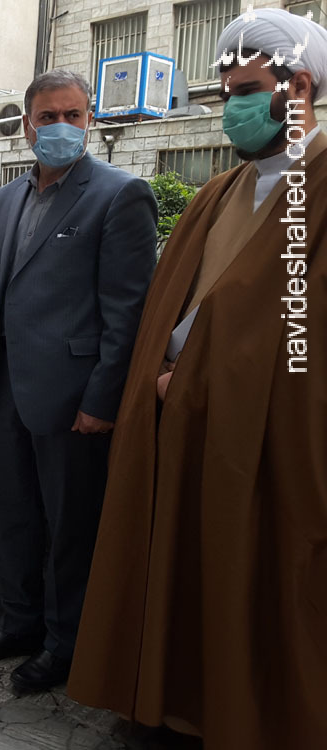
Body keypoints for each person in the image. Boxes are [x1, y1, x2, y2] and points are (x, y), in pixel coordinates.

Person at [68, 10, 327, 749]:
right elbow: (169, 309)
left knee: (247, 586)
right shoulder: (219, 193)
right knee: (177, 576)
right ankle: (165, 709)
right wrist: (163, 379)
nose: (231, 109)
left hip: (262, 449)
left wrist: (198, 384)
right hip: (179, 428)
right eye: (225, 94)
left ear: (298, 88)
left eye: (246, 92)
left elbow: (303, 349)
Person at [0, 70, 157, 692]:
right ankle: (18, 622)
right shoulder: (5, 199)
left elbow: (128, 314)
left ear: (90, 120)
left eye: (74, 115)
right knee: (14, 515)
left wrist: (102, 399)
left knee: (71, 527)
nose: (62, 127)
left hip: (74, 399)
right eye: (49, 117)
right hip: (4, 391)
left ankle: (65, 644)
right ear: (28, 126)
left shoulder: (121, 195)